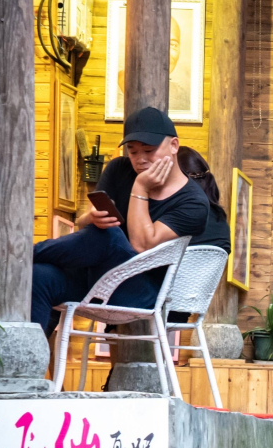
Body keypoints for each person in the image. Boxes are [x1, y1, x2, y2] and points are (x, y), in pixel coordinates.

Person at [31, 106, 228, 333]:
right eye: (133, 152)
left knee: (110, 234)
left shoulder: (194, 202)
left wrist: (141, 187)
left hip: (141, 294)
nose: (140, 159)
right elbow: (87, 231)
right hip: (95, 278)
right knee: (38, 276)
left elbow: (142, 245)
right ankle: (24, 366)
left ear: (174, 146)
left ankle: (24, 255)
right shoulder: (118, 169)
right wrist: (89, 218)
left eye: (149, 150)